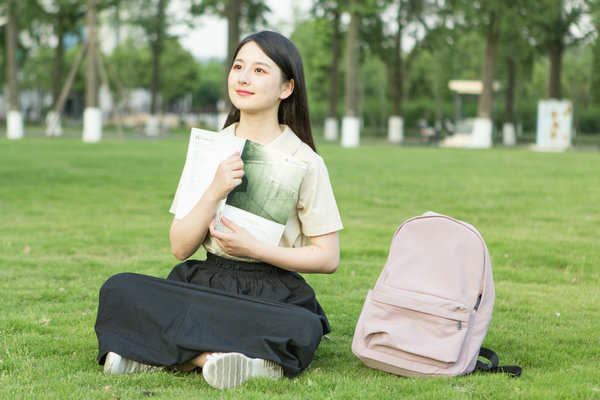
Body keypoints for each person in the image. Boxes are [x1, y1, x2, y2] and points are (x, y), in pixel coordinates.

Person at [94, 30, 343, 390]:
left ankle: (156, 355)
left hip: (274, 291)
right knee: (119, 289)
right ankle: (215, 360)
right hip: (208, 281)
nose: (243, 77)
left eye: (259, 70)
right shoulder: (210, 147)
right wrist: (214, 189)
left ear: (286, 88)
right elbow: (180, 247)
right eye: (238, 66)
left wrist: (255, 249)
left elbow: (328, 257)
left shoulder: (305, 159)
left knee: (302, 327)